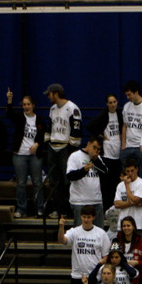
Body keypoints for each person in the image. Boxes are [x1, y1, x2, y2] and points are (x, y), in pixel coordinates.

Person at [59, 208, 109, 284]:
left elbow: (106, 255)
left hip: (95, 277)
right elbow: (62, 240)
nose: (86, 219)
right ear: (81, 216)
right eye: (84, 217)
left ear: (93, 217)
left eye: (89, 217)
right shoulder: (75, 231)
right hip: (77, 277)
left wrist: (99, 265)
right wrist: (61, 226)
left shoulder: (101, 234)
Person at [5, 89, 48, 218]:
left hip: (35, 156)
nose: (26, 107)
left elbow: (44, 135)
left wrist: (37, 144)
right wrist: (9, 100)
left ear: (33, 105)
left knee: (37, 182)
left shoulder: (39, 120)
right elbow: (9, 114)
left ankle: (40, 208)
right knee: (21, 183)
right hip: (20, 155)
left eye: (28, 104)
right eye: (24, 104)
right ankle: (21, 209)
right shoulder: (19, 117)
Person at [43, 83, 82, 219]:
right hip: (53, 148)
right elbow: (49, 127)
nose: (48, 97)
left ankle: (69, 209)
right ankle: (58, 209)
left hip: (65, 148)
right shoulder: (52, 109)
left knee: (67, 181)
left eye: (49, 94)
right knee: (54, 182)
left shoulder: (72, 108)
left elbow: (77, 129)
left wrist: (70, 148)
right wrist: (47, 142)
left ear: (56, 93)